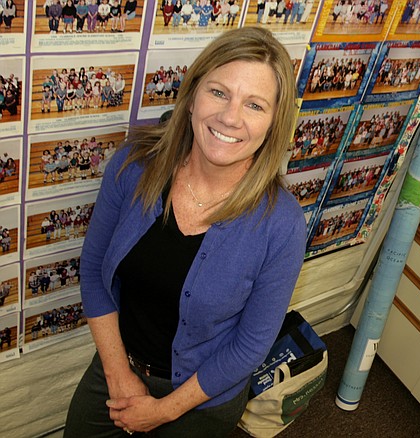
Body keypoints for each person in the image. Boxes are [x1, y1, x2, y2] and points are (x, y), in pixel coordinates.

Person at [64, 27, 306, 437]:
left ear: (274, 123)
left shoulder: (281, 224)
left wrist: (163, 411)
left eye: (254, 105)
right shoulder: (132, 165)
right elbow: (92, 272)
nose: (231, 117)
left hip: (201, 402)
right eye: (218, 92)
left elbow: (249, 345)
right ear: (192, 94)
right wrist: (119, 374)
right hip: (116, 371)